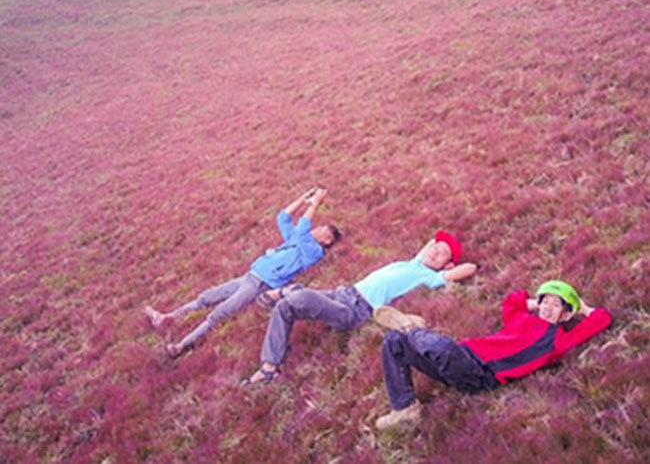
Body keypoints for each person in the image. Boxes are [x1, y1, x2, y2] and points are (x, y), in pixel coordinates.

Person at [243, 230, 476, 385]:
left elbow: (470, 268)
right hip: (344, 293)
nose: (435, 251)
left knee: (299, 296)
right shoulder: (414, 262)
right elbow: (432, 243)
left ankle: (286, 290)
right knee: (284, 308)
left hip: (356, 311)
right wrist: (440, 244)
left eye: (442, 253)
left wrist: (449, 266)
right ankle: (269, 367)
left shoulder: (430, 277)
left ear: (447, 264)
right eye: (435, 248)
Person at [374, 279, 612, 430]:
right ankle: (405, 409)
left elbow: (602, 319)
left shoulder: (558, 341)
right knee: (393, 341)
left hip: (479, 375)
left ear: (566, 314)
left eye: (556, 304)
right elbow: (512, 302)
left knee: (441, 346)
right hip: (461, 357)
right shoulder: (521, 318)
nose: (548, 307)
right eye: (545, 302)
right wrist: (537, 302)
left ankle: (412, 328)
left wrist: (581, 307)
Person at [145, 187, 340, 357]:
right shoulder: (297, 239)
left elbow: (303, 229)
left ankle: (181, 346)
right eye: (320, 226)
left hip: (262, 284)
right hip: (251, 275)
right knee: (207, 297)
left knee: (220, 313)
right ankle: (166, 318)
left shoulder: (314, 252)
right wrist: (302, 198)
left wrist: (315, 204)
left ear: (327, 241)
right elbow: (283, 218)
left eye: (323, 231)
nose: (317, 228)